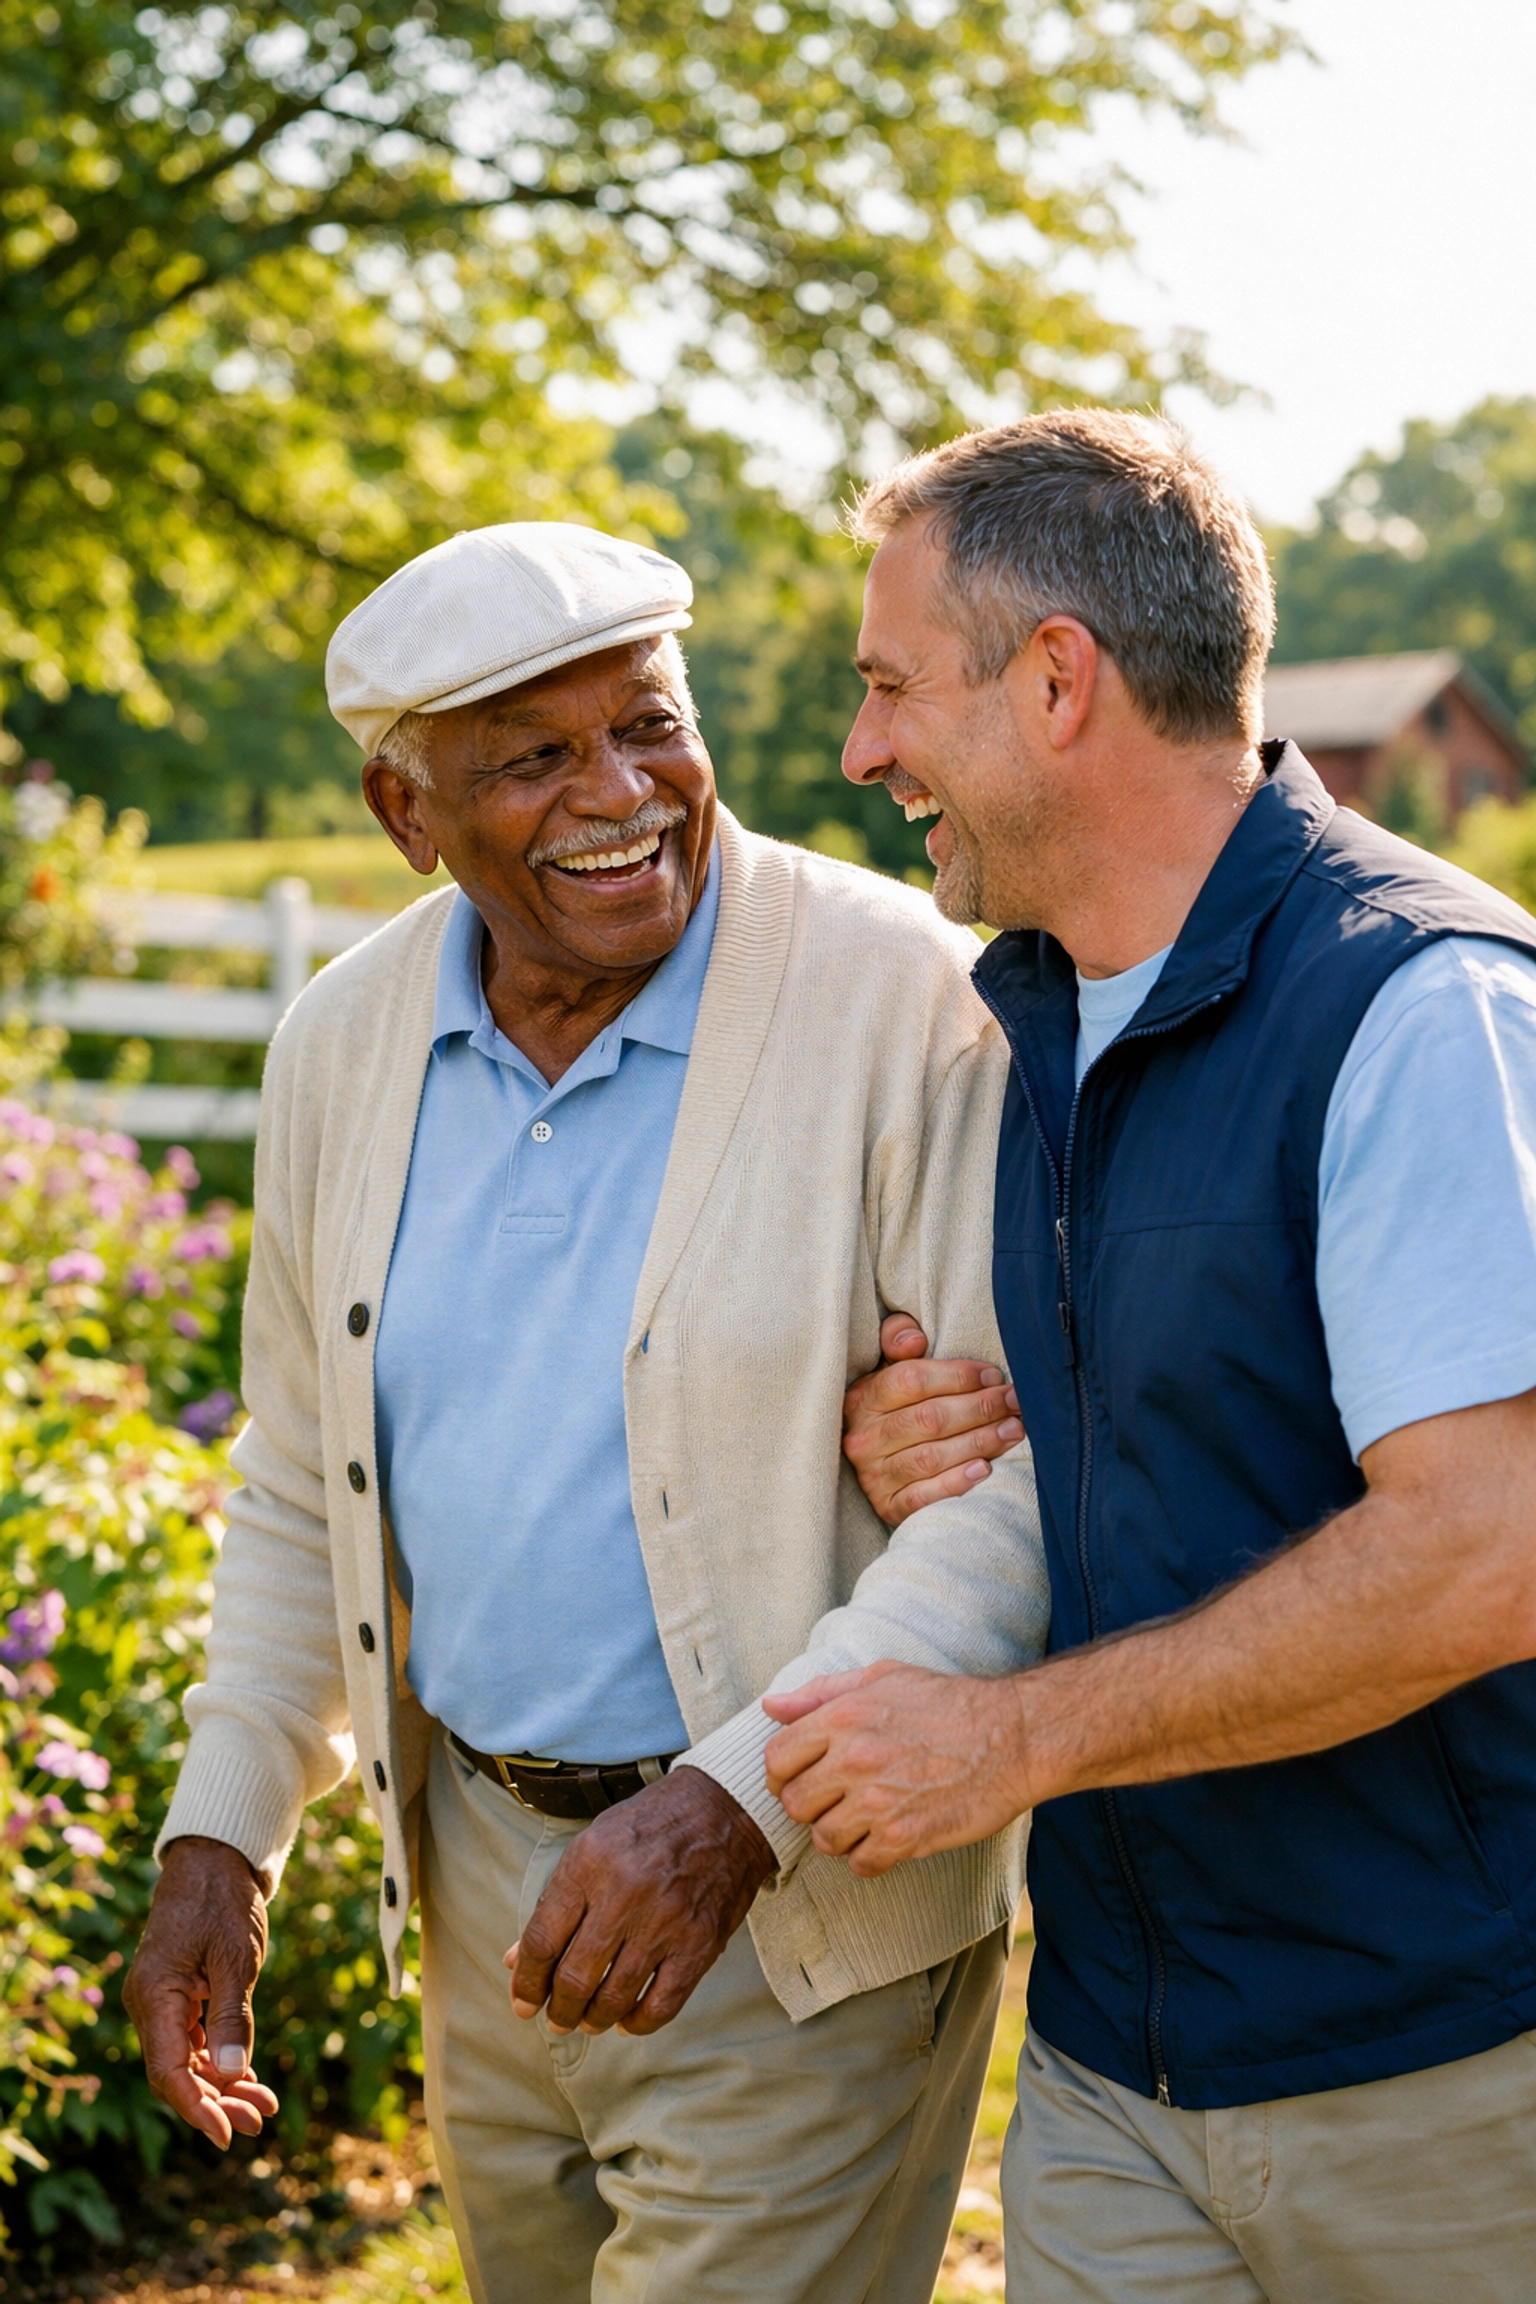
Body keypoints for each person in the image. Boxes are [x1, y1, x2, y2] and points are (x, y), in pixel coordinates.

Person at [122, 521, 1050, 2304]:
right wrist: (222, 1832)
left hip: (800, 1914)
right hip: (485, 1903)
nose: (620, 793)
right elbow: (303, 1480)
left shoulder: (902, 1003)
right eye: (535, 760)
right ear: (413, 817)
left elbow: (1002, 1501)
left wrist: (732, 1812)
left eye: (650, 726)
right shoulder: (345, 1040)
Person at [764, 411, 1536, 2301]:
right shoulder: (1033, 1019)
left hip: (1448, 2073)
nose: (862, 750)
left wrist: (1002, 1743)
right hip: (1112, 2069)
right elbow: (1220, 1400)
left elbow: (1489, 1544)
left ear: (1053, 681)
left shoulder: (1424, 1008)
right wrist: (975, 1424)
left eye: (887, 687)